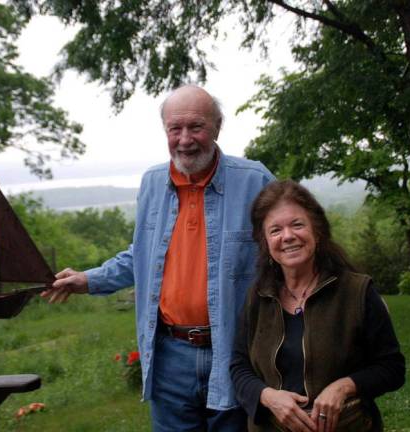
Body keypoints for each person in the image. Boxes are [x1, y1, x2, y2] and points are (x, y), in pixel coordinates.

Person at [41, 85, 274, 431]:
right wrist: (89, 280)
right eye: (174, 129)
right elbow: (143, 254)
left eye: (196, 127)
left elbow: (287, 251)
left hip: (237, 353)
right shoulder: (153, 183)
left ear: (218, 126)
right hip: (170, 355)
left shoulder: (255, 181)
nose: (185, 139)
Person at [230, 180, 405, 432]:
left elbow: (392, 368)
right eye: (275, 230)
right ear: (265, 242)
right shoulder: (258, 297)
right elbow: (239, 367)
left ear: (317, 231)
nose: (287, 236)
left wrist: (344, 386)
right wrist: (268, 396)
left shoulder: (357, 292)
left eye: (297, 224)